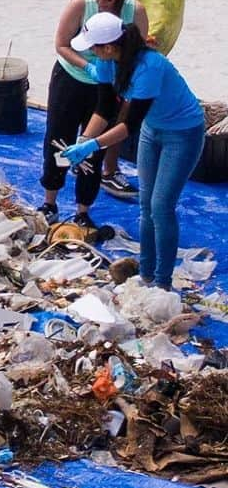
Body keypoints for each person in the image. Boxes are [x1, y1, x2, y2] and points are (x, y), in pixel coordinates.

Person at [61, 15, 205, 290]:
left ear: (109, 46)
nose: (90, 51)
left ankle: (163, 283)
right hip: (153, 130)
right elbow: (104, 110)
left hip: (183, 132)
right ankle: (146, 274)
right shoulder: (105, 62)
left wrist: (93, 146)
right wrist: (84, 139)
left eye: (94, 46)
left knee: (161, 206)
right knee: (145, 205)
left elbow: (128, 124)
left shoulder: (149, 67)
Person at [39, 0, 149, 226]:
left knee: (94, 149)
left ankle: (83, 210)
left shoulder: (134, 13)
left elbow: (138, 53)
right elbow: (62, 44)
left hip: (107, 87)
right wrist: (89, 67)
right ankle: (49, 201)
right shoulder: (81, 4)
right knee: (59, 138)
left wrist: (115, 83)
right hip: (73, 78)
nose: (101, 3)